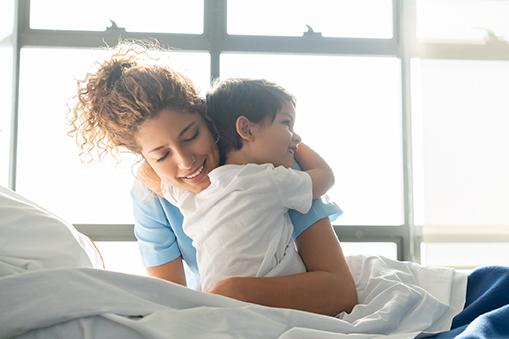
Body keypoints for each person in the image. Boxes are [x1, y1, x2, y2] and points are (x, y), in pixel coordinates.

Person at [70, 41, 357, 316]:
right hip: (218, 311)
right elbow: (170, 301)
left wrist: (236, 292)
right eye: (161, 155)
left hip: (283, 302)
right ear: (145, 159)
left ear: (209, 121)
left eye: (191, 135)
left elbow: (341, 291)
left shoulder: (271, 170)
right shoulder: (153, 197)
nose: (186, 162)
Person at [161, 78, 335, 292]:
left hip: (214, 299)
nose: (296, 136)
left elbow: (156, 179)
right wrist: (297, 147)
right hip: (272, 303)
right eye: (287, 123)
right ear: (246, 129)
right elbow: (325, 177)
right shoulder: (269, 179)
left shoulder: (193, 193)